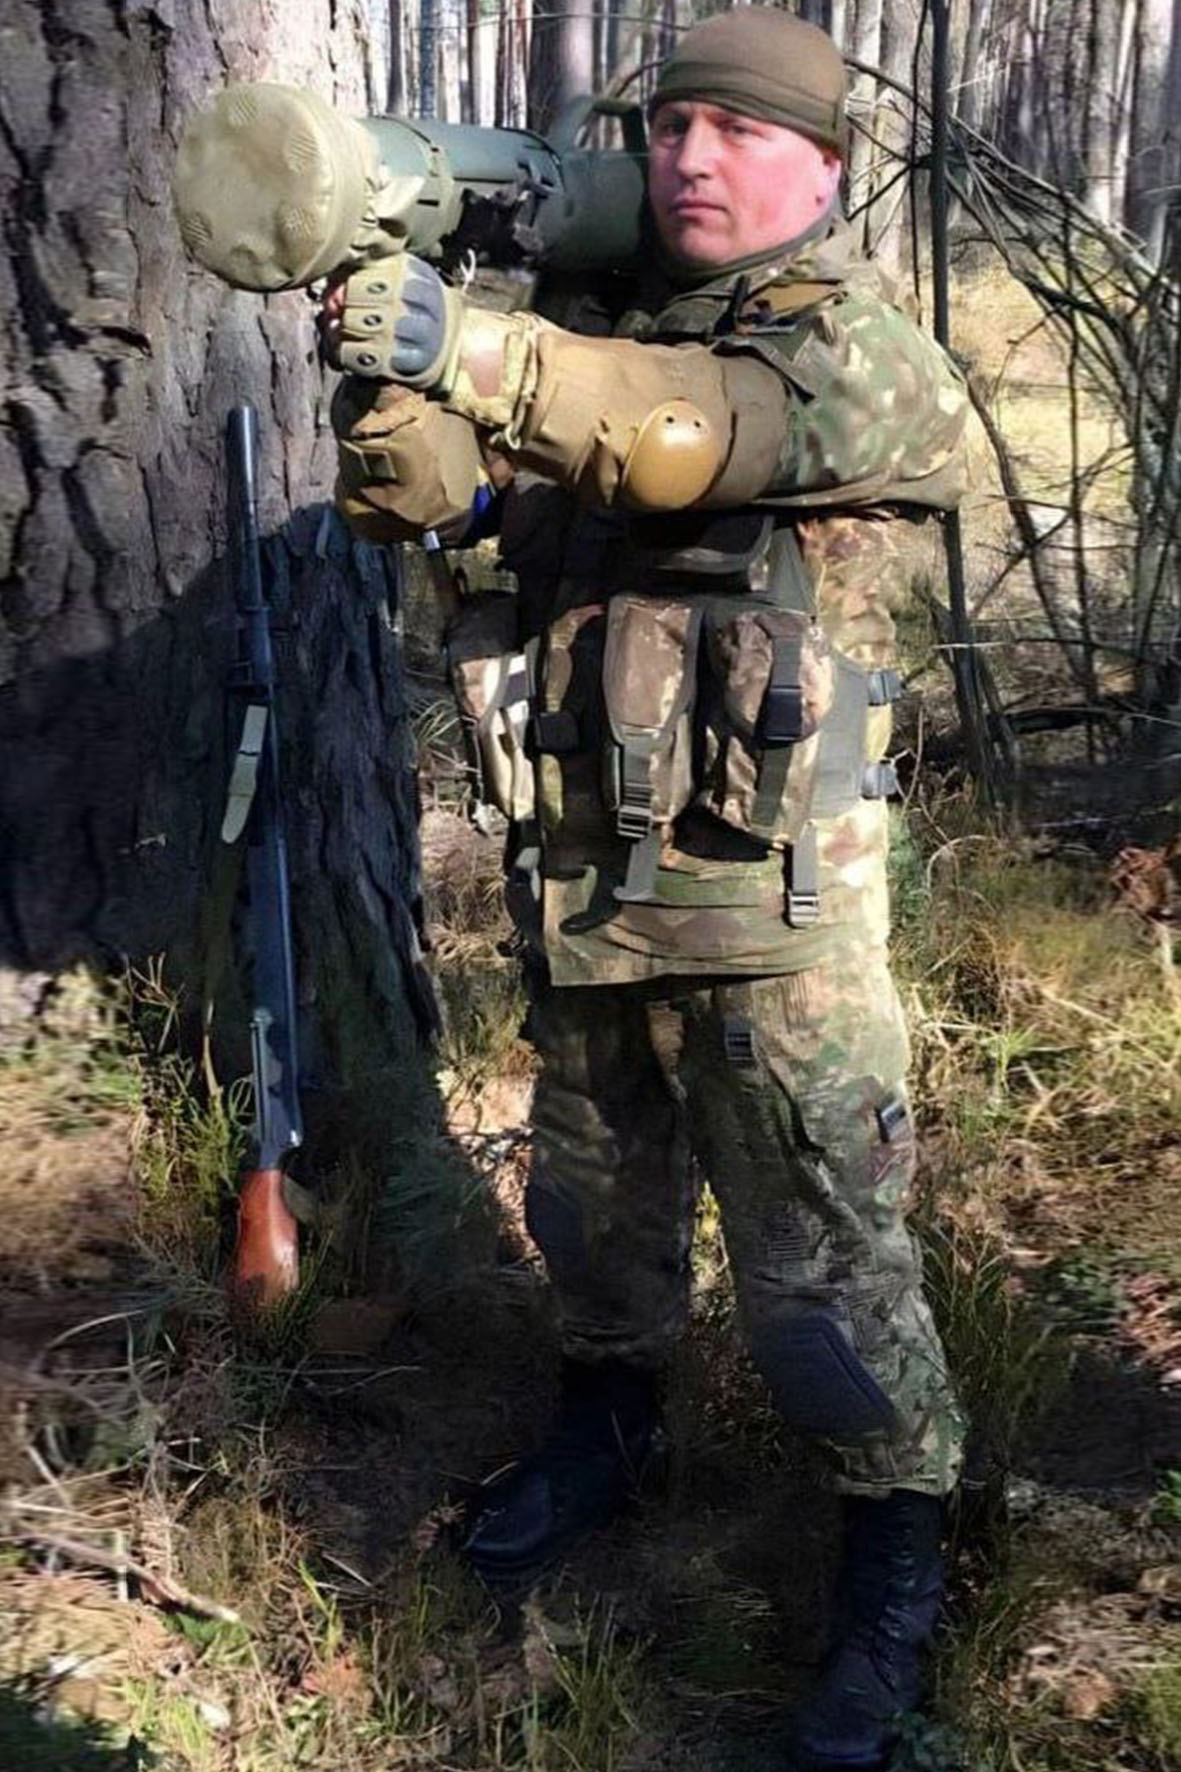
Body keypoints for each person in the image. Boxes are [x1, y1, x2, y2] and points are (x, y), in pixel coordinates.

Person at [324, 11, 969, 1767]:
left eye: (739, 133)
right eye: (673, 125)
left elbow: (674, 439)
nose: (693, 156)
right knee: (592, 1207)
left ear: (822, 169)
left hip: (774, 918)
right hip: (581, 876)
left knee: (822, 1266)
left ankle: (891, 1552)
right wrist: (390, 384)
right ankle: (608, 1423)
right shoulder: (593, 326)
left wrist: (469, 343)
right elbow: (439, 506)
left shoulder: (858, 356)